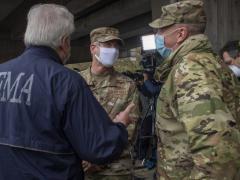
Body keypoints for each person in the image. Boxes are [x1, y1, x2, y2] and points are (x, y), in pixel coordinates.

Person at [0, 4, 135, 180]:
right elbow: (99, 148)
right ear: (64, 42)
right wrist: (120, 126)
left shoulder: (2, 72)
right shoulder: (66, 81)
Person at [149, 0, 240, 179]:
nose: (158, 36)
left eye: (162, 30)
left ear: (181, 33)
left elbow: (217, 154)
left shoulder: (190, 68)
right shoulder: (209, 61)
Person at [80, 27, 142, 180]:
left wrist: (99, 159)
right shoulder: (76, 81)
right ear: (93, 48)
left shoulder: (127, 85)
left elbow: (129, 131)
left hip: (115, 169)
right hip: (81, 167)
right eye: (108, 45)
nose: (113, 50)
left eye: (116, 46)